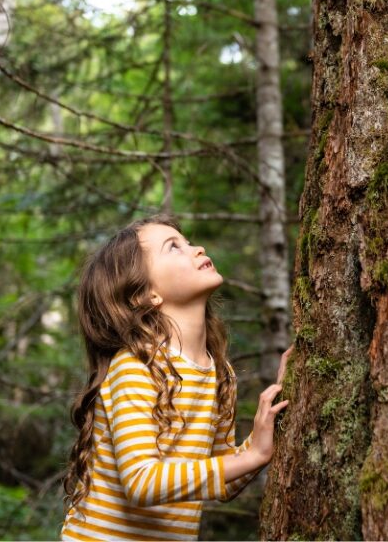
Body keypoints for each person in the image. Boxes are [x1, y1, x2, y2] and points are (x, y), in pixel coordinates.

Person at [61, 214, 291, 541]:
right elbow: (142, 483)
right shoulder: (135, 367)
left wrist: (276, 414)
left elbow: (222, 477)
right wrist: (256, 456)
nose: (197, 248)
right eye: (174, 247)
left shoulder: (219, 372)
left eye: (188, 242)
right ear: (145, 295)